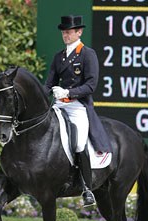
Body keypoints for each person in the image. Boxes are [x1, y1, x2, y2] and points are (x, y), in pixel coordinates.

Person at [44, 15, 112, 207]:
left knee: (80, 143)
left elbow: (91, 85)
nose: (65, 35)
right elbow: (48, 83)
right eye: (64, 32)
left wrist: (68, 91)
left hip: (78, 106)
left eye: (69, 32)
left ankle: (87, 188)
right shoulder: (59, 56)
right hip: (59, 105)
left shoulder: (87, 54)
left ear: (79, 32)